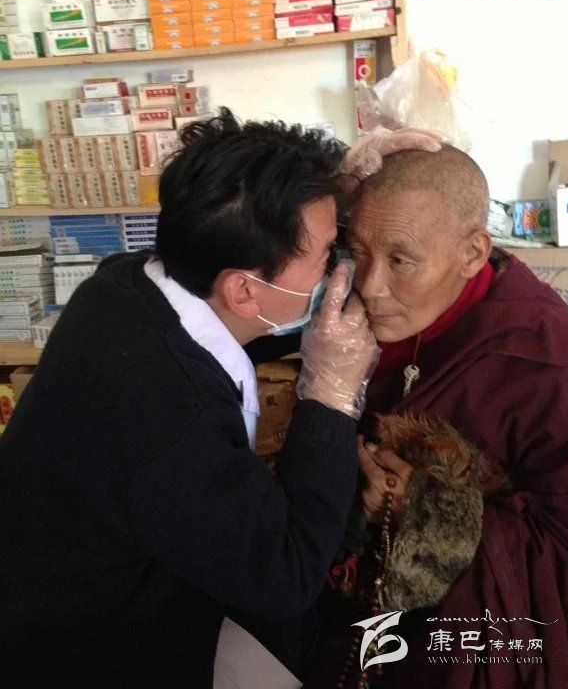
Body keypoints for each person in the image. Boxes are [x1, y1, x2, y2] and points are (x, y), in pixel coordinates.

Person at [0, 109, 388, 689]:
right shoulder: (172, 423)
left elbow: (232, 330)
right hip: (83, 650)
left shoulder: (122, 283)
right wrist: (330, 396)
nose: (345, 271)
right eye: (328, 255)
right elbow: (286, 576)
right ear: (244, 289)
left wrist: (340, 189)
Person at [309, 144, 568, 688]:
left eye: (401, 261)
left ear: (472, 253)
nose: (370, 287)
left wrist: (426, 510)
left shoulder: (550, 367)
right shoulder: (368, 318)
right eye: (359, 253)